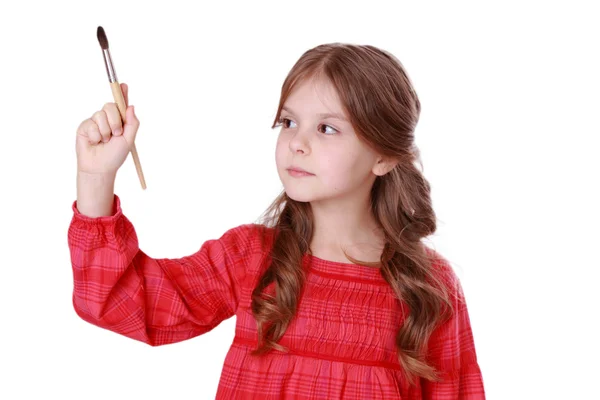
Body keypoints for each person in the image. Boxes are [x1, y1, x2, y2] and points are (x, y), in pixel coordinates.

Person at [68, 43, 485, 399]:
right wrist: (95, 177)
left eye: (326, 128)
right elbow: (121, 302)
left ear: (384, 155)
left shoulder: (427, 286)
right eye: (288, 122)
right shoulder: (250, 258)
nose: (297, 144)